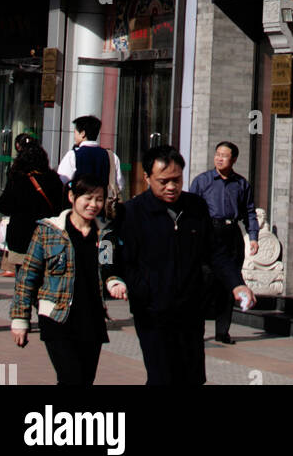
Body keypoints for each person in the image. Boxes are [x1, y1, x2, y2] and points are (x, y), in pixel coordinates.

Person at [103, 144, 253, 385]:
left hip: (190, 310)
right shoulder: (132, 213)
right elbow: (115, 252)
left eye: (177, 179)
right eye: (163, 181)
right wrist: (120, 281)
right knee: (162, 377)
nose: (171, 187)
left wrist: (237, 284)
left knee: (191, 377)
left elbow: (216, 252)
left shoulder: (196, 207)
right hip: (152, 310)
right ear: (147, 178)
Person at [10, 172, 110, 387]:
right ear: (72, 197)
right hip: (57, 317)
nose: (93, 204)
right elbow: (27, 276)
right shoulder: (49, 231)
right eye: (88, 198)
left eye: (99, 199)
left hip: (92, 320)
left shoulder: (105, 235)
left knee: (85, 380)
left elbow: (109, 268)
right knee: (70, 379)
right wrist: (20, 319)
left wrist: (115, 281)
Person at [189, 141, 259, 344]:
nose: (219, 158)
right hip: (208, 233)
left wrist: (253, 236)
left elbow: (249, 212)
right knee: (204, 281)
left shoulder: (241, 184)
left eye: (224, 155)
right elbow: (191, 210)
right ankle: (197, 330)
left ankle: (223, 331)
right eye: (217, 154)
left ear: (234, 159)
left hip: (231, 234)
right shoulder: (202, 181)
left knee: (230, 283)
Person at [0, 142, 66, 272]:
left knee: (23, 280)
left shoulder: (18, 179)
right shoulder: (54, 179)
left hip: (22, 238)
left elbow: (4, 205)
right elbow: (59, 208)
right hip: (47, 237)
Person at [56, 115, 122, 212]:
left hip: (79, 210)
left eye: (75, 132)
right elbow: (119, 184)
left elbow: (62, 181)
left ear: (82, 133)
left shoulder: (73, 155)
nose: (74, 136)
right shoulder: (111, 156)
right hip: (102, 210)